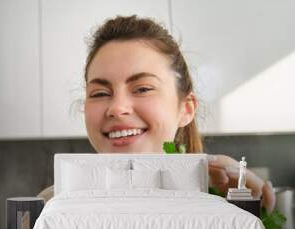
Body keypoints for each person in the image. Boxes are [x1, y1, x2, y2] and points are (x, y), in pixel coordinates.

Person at [38, 15, 276, 213]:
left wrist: (250, 209)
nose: (117, 108)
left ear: (186, 108)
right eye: (100, 93)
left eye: (142, 89)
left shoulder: (224, 200)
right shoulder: (50, 206)